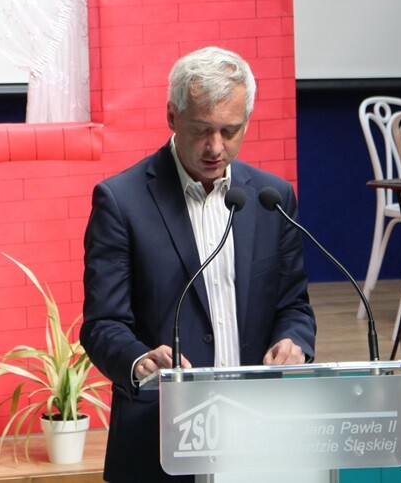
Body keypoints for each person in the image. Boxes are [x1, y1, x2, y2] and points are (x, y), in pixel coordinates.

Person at [80, 46, 316, 482]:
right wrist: (138, 360)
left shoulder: (272, 199)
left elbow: (293, 306)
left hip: (257, 435)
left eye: (230, 131)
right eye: (202, 130)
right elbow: (102, 324)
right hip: (161, 440)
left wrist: (293, 341)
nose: (216, 147)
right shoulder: (121, 202)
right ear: (172, 116)